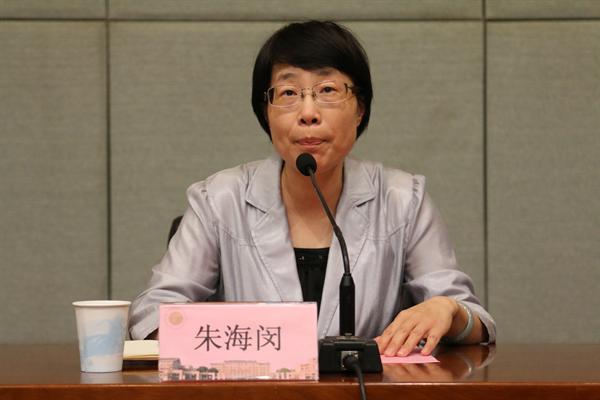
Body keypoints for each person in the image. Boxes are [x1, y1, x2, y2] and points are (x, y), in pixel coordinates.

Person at [129, 20, 496, 356]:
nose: (308, 112)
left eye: (328, 90)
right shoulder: (219, 199)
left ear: (360, 109)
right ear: (266, 112)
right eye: (288, 93)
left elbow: (477, 323)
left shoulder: (403, 200)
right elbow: (151, 314)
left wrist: (448, 310)